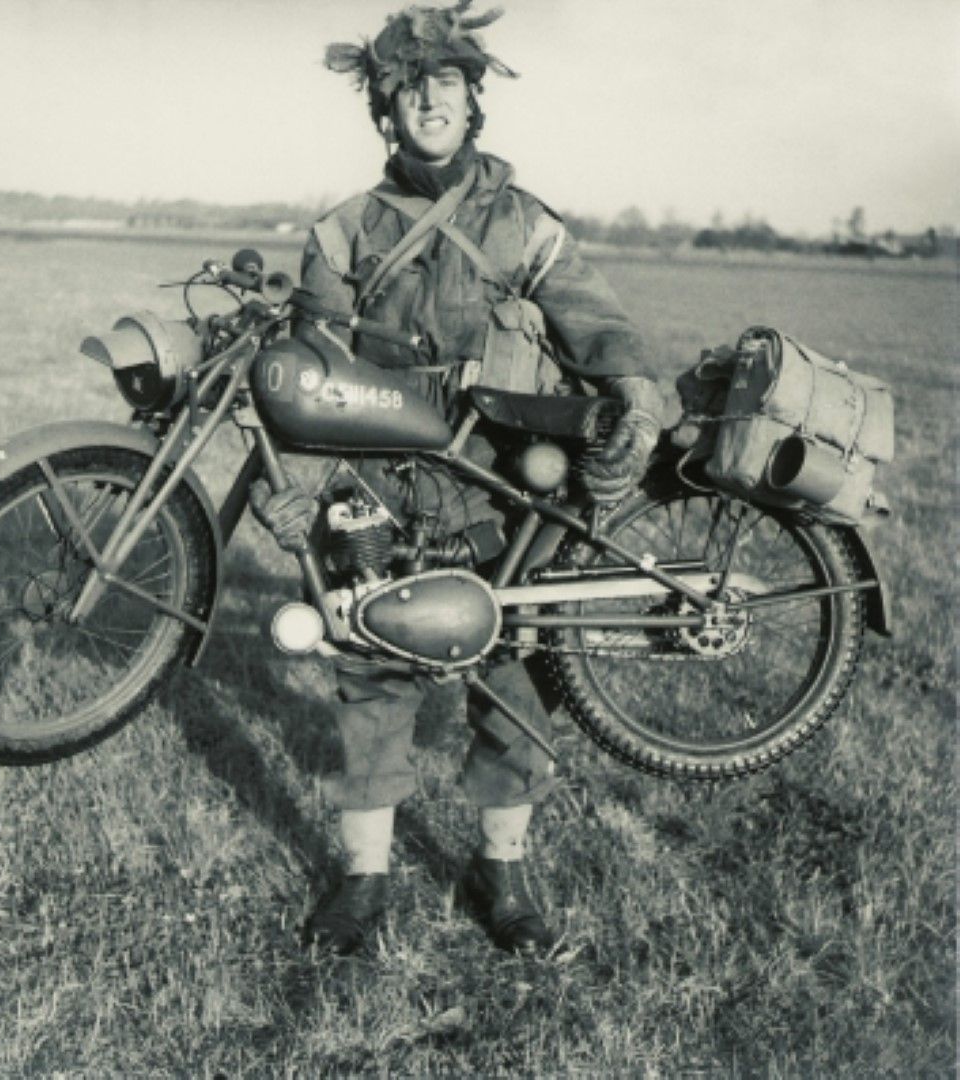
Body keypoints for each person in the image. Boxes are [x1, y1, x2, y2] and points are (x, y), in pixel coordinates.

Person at [250, 1, 663, 956]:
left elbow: (599, 326)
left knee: (517, 685)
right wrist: (298, 488)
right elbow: (308, 373)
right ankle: (363, 881)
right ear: (384, 111)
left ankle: (501, 874)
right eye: (408, 88)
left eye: (447, 84)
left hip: (507, 489)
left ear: (475, 101)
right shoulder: (343, 232)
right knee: (369, 673)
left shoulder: (525, 225)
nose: (429, 101)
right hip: (375, 485)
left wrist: (635, 398)